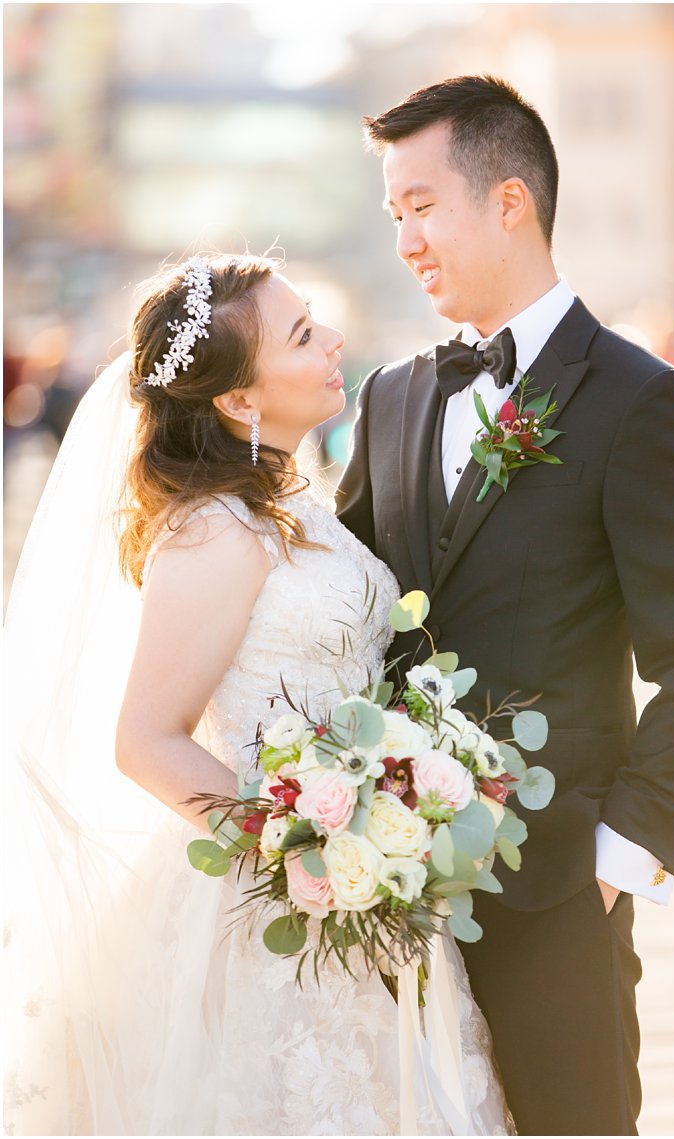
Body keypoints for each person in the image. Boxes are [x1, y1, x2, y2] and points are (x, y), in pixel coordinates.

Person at [4, 254, 508, 1133]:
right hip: (274, 900)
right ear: (238, 399)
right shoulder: (215, 530)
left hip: (361, 881)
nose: (334, 342)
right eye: (304, 335)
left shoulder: (293, 499)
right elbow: (147, 738)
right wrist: (301, 855)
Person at [337, 75, 674, 1136]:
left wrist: (617, 862)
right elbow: (349, 608)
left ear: (509, 200)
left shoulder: (640, 399)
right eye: (394, 217)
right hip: (390, 893)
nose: (406, 242)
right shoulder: (390, 394)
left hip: (559, 891)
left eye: (421, 208)